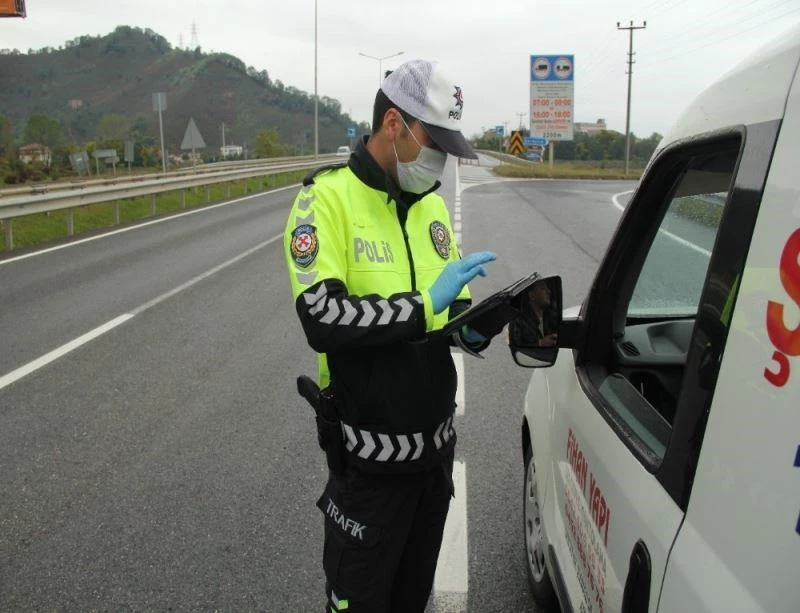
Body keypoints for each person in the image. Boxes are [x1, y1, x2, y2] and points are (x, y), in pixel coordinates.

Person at [283, 59, 496, 612]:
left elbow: (451, 312)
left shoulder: (431, 208)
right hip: (368, 470)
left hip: (433, 462)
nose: (440, 160)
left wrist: (483, 325)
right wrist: (425, 306)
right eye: (434, 144)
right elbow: (322, 317)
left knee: (410, 601)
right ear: (393, 124)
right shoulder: (324, 200)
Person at [510, 279, 559, 348]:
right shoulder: (519, 322)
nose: (548, 291)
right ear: (531, 295)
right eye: (543, 288)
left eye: (547, 288)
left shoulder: (553, 317)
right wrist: (540, 343)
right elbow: (516, 345)